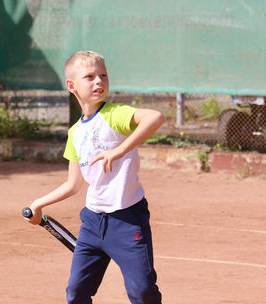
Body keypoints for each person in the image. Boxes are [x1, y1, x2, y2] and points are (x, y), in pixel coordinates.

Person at [25, 50, 165, 304]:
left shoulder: (114, 114)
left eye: (103, 75)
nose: (99, 81)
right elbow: (73, 184)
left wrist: (120, 149)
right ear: (72, 86)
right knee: (76, 292)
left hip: (127, 219)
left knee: (143, 292)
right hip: (92, 223)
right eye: (89, 77)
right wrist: (38, 204)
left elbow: (155, 118)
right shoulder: (75, 132)